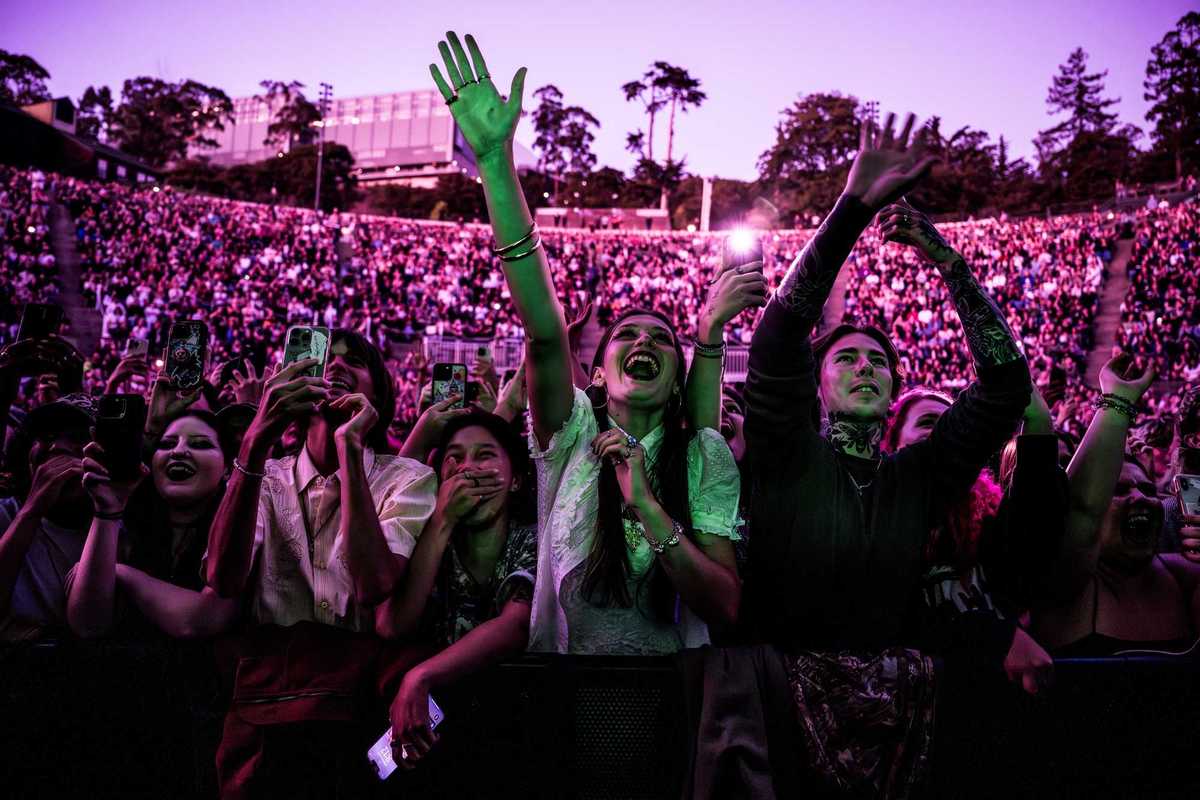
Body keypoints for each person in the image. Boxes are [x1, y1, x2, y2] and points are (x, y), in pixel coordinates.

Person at [741, 121, 1032, 794]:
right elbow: (781, 332)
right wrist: (854, 206)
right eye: (847, 357)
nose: (866, 367)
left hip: (904, 735)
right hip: (783, 736)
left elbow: (1007, 385)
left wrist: (946, 259)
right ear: (818, 384)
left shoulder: (920, 475)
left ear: (896, 387)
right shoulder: (787, 455)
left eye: (880, 361)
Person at [430, 31, 742, 654]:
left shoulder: (705, 456)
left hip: (672, 717)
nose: (644, 340)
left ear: (678, 379)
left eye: (661, 338)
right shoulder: (569, 433)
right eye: (627, 334)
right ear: (595, 374)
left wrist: (649, 510)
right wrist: (495, 164)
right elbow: (544, 330)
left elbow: (727, 605)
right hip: (562, 708)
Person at [203, 329, 437, 798]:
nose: (336, 366)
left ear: (379, 392)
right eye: (323, 358)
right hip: (270, 718)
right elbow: (222, 579)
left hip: (359, 717)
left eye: (355, 361)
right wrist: (255, 441)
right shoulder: (263, 479)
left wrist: (350, 447)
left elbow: (372, 584)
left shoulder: (407, 479)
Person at [384, 411, 536, 769]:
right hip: (431, 743)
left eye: (485, 456)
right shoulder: (427, 542)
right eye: (455, 458)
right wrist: (442, 519)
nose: (468, 469)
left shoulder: (528, 539)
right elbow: (392, 625)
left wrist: (421, 676)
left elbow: (516, 624)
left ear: (515, 480)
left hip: (511, 735)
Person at [1033, 354, 1200, 656]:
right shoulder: (1066, 587)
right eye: (1119, 490)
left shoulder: (1182, 575)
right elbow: (1078, 510)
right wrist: (1116, 402)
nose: (1141, 498)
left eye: (1149, 489)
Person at [66, 410, 239, 638]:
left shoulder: (245, 526)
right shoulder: (125, 526)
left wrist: (122, 573)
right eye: (167, 444)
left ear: (228, 469)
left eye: (200, 444)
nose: (178, 451)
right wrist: (106, 510)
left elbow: (204, 619)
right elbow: (88, 624)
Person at [0, 395, 92, 641]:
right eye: (47, 437)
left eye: (76, 437)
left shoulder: (114, 524)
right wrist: (32, 509)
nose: (57, 447)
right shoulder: (5, 514)